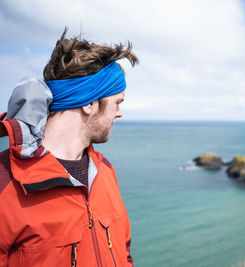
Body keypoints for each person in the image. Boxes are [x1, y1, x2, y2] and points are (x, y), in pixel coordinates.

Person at [0, 28, 138, 266]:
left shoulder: (104, 170)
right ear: (90, 103)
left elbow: (123, 251)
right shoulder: (5, 181)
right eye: (117, 102)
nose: (120, 113)